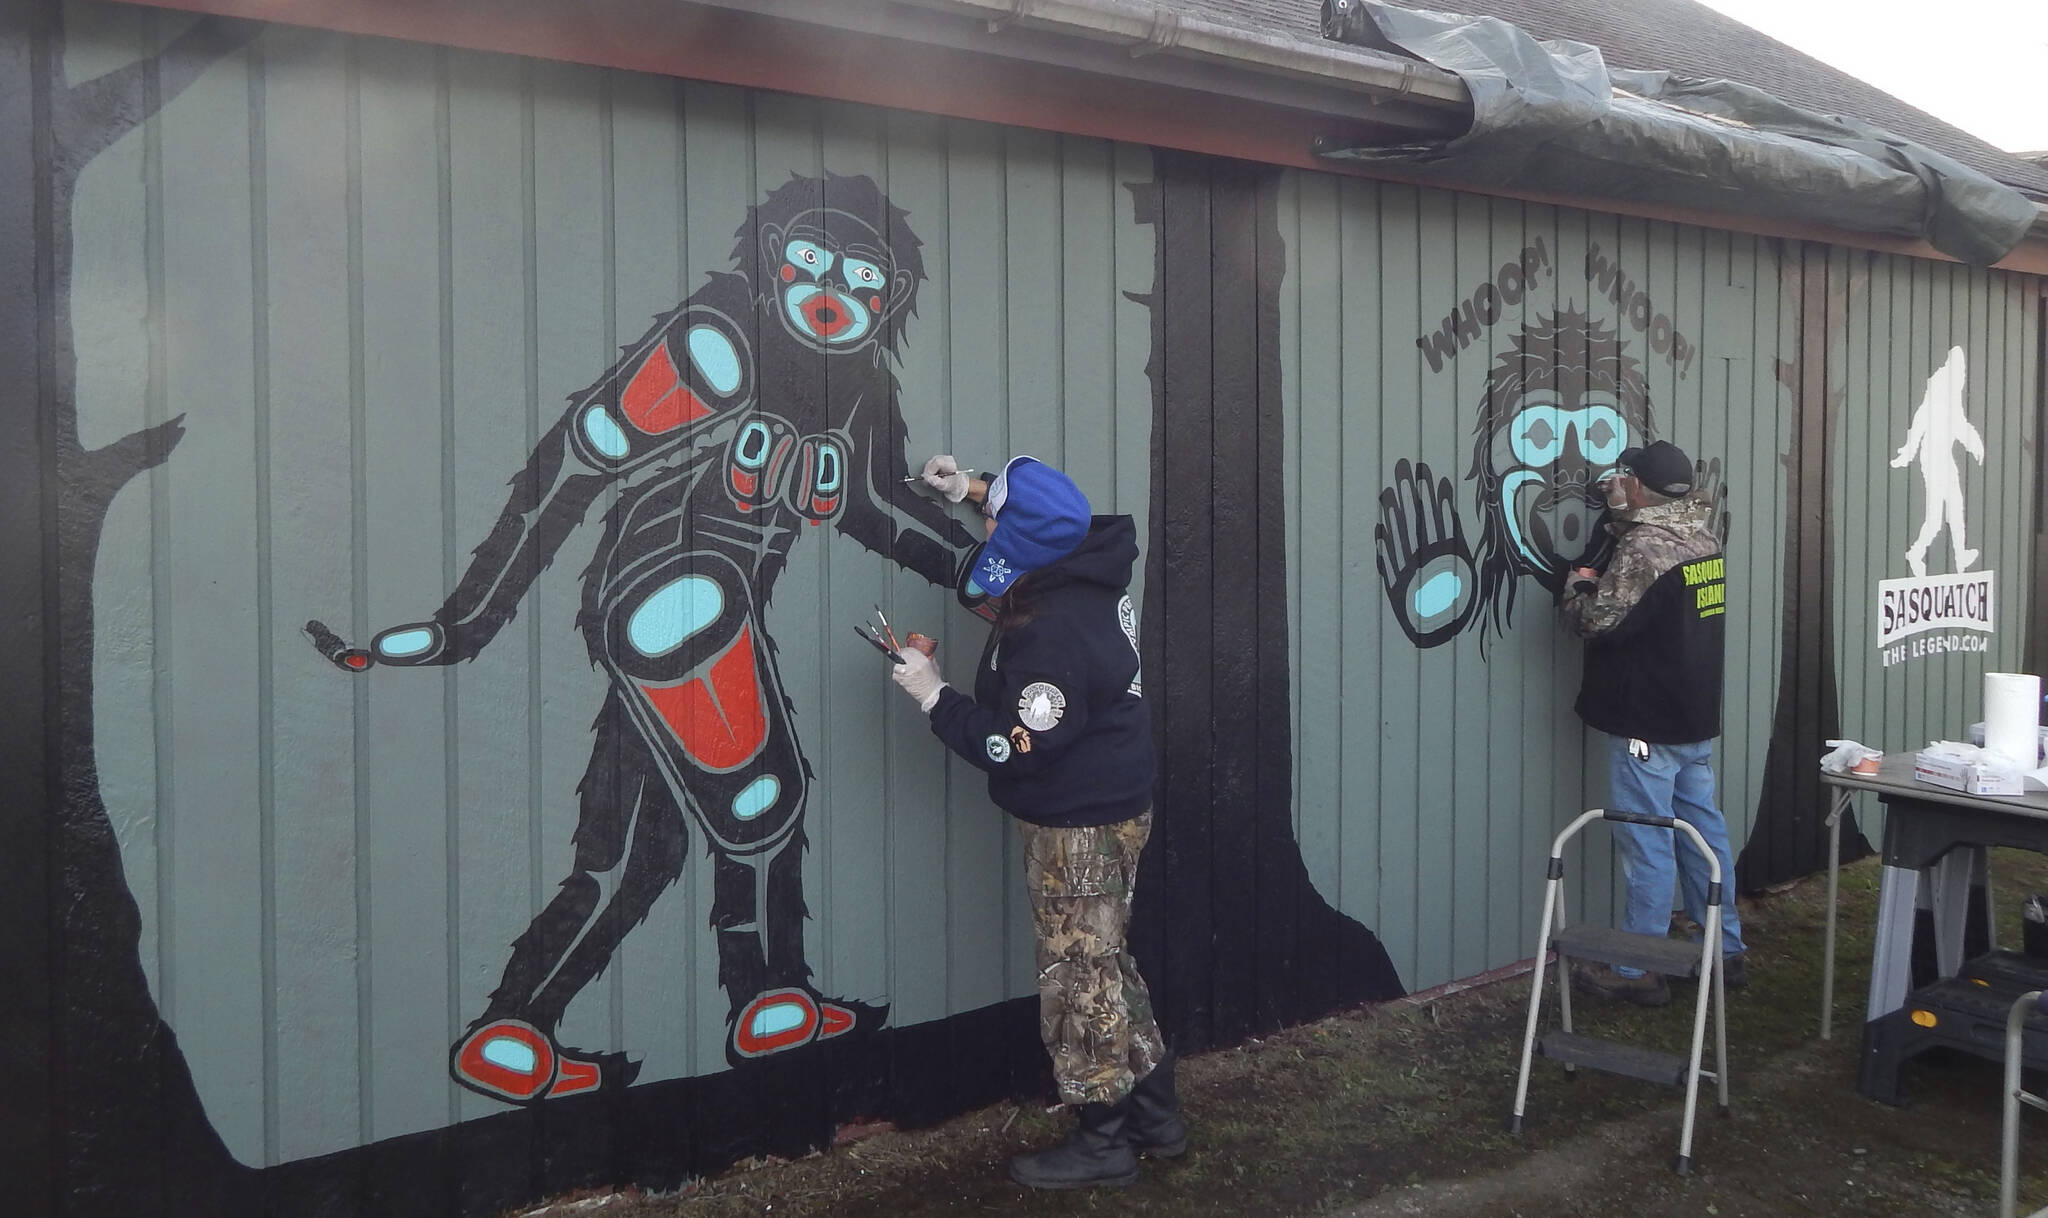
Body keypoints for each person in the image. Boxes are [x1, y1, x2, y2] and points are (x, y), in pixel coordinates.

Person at [886, 452, 1185, 1189]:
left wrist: (934, 696)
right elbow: (1035, 520)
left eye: (992, 519)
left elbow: (1013, 748)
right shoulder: (1084, 562)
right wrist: (966, 486)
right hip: (1116, 799)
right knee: (1109, 962)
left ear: (1025, 544)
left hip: (1077, 825)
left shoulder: (1053, 632)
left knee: (1078, 973)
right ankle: (1156, 1115)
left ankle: (1103, 1140)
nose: (984, 524)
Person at [1560, 440, 1748, 1007]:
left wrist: (1579, 580)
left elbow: (1595, 621)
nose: (1617, 482)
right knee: (1704, 835)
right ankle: (1725, 950)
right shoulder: (1701, 534)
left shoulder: (1644, 549)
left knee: (1647, 841)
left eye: (1624, 477)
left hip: (1648, 721)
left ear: (1639, 485)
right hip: (1692, 716)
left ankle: (1639, 966)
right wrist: (1618, 523)